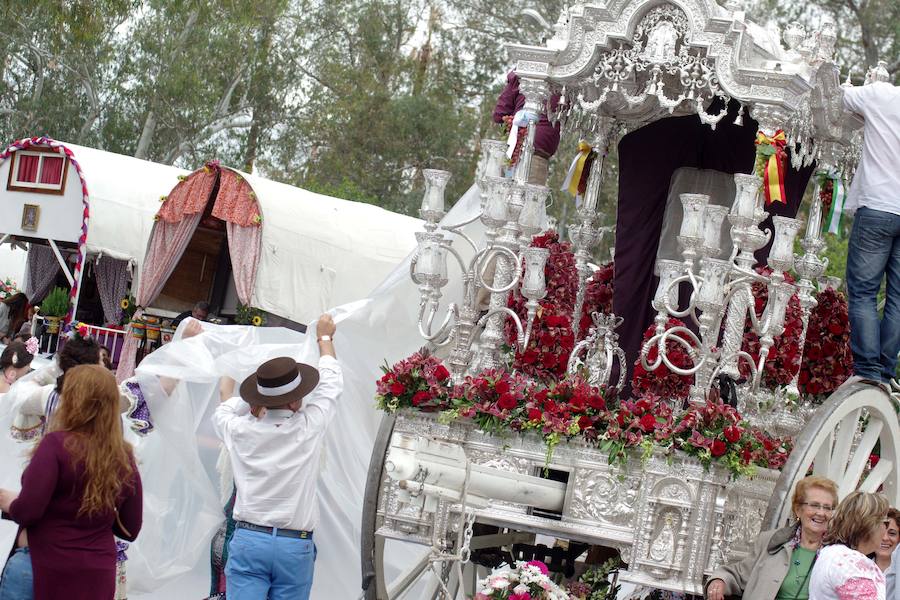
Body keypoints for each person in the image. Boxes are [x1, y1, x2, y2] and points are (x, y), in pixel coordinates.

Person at [213, 313, 341, 600]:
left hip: (249, 539)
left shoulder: (240, 430)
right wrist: (325, 338)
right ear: (297, 399)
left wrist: (252, 401)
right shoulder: (309, 426)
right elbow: (332, 383)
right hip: (294, 545)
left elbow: (222, 410)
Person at [0, 365, 143, 600]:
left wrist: (9, 503)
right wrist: (95, 517)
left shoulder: (56, 445)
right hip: (97, 573)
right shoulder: (123, 455)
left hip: (44, 565)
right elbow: (130, 528)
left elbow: (29, 511)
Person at [842, 63, 900, 389]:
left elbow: (838, 97)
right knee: (899, 297)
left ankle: (868, 369)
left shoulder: (880, 94)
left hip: (878, 206)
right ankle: (887, 370)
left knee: (863, 291)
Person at [705, 475, 838, 600]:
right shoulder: (773, 541)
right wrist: (719, 580)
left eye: (827, 508)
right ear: (798, 509)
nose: (821, 513)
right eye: (814, 505)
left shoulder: (839, 554)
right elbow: (739, 575)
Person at [809, 490, 889, 599]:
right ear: (870, 525)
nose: (886, 530)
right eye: (885, 523)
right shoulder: (851, 563)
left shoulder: (831, 552)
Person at [493, 71, 560, 185]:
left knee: (501, 197)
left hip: (516, 150)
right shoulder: (567, 73)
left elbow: (500, 115)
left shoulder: (521, 71)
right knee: (528, 200)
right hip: (532, 155)